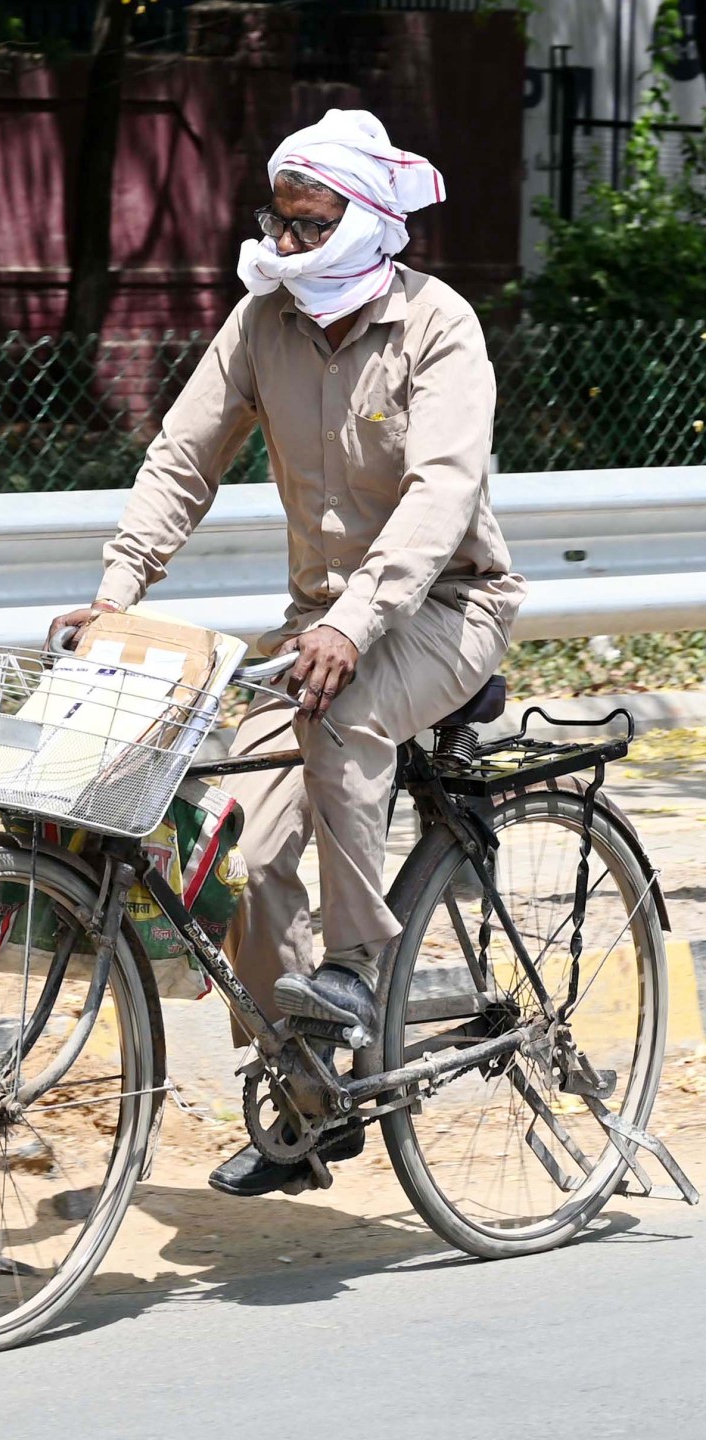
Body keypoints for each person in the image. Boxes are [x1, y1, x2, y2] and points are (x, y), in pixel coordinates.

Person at [48, 109, 526, 1198]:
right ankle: (312, 1102)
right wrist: (115, 591)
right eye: (283, 221)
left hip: (446, 606)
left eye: (313, 225)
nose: (292, 243)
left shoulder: (437, 327)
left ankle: (357, 966)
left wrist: (354, 626)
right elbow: (184, 456)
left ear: (367, 222)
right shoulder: (264, 322)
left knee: (344, 716)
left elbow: (442, 495)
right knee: (242, 842)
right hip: (317, 622)